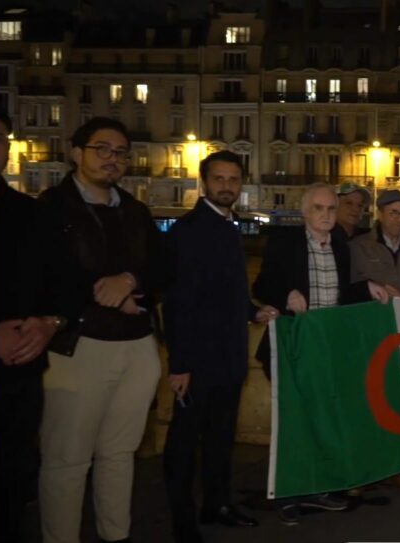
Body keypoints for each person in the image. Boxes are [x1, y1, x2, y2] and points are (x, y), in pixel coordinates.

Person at [36, 117, 166, 543]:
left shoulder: (135, 210)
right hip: (79, 344)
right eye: (103, 149)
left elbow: (162, 266)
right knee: (67, 459)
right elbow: (47, 273)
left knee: (119, 453)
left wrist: (130, 281)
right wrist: (103, 293)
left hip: (136, 345)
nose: (113, 159)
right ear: (77, 153)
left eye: (121, 153)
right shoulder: (51, 208)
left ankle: (116, 534)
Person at [251, 183, 386, 525]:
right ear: (305, 212)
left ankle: (316, 487)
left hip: (326, 350)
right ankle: (286, 493)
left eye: (331, 209)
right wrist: (286, 295)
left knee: (321, 419)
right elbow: (261, 286)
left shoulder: (340, 247)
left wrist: (367, 288)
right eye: (319, 208)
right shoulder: (285, 243)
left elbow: (341, 295)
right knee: (293, 423)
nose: (326, 215)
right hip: (292, 348)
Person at [162, 151, 278, 542]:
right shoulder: (188, 231)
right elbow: (178, 302)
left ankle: (217, 504)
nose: (227, 186)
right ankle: (182, 521)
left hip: (229, 355)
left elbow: (229, 292)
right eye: (219, 178)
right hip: (197, 360)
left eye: (233, 179)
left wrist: (253, 311)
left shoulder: (228, 227)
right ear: (204, 182)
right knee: (183, 444)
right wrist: (179, 364)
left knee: (220, 438)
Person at [0, 103, 62, 543]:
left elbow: (59, 282)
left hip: (21, 379)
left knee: (12, 489)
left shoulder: (31, 214)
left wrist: (50, 323)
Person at [349, 189, 400, 491]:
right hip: (369, 334)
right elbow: (351, 283)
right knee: (366, 401)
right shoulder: (360, 246)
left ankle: (399, 466)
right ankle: (364, 468)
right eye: (393, 213)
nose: (399, 219)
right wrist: (378, 289)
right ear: (380, 215)